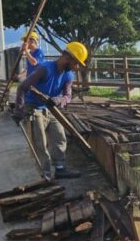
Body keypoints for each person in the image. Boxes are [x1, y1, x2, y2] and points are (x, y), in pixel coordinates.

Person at [13, 41, 88, 179]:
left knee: (59, 137)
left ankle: (60, 169)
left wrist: (59, 100)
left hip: (51, 108)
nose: (76, 67)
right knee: (40, 142)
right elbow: (22, 87)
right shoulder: (44, 69)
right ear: (67, 58)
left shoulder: (68, 75)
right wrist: (19, 111)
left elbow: (68, 96)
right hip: (34, 107)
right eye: (75, 63)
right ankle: (45, 173)